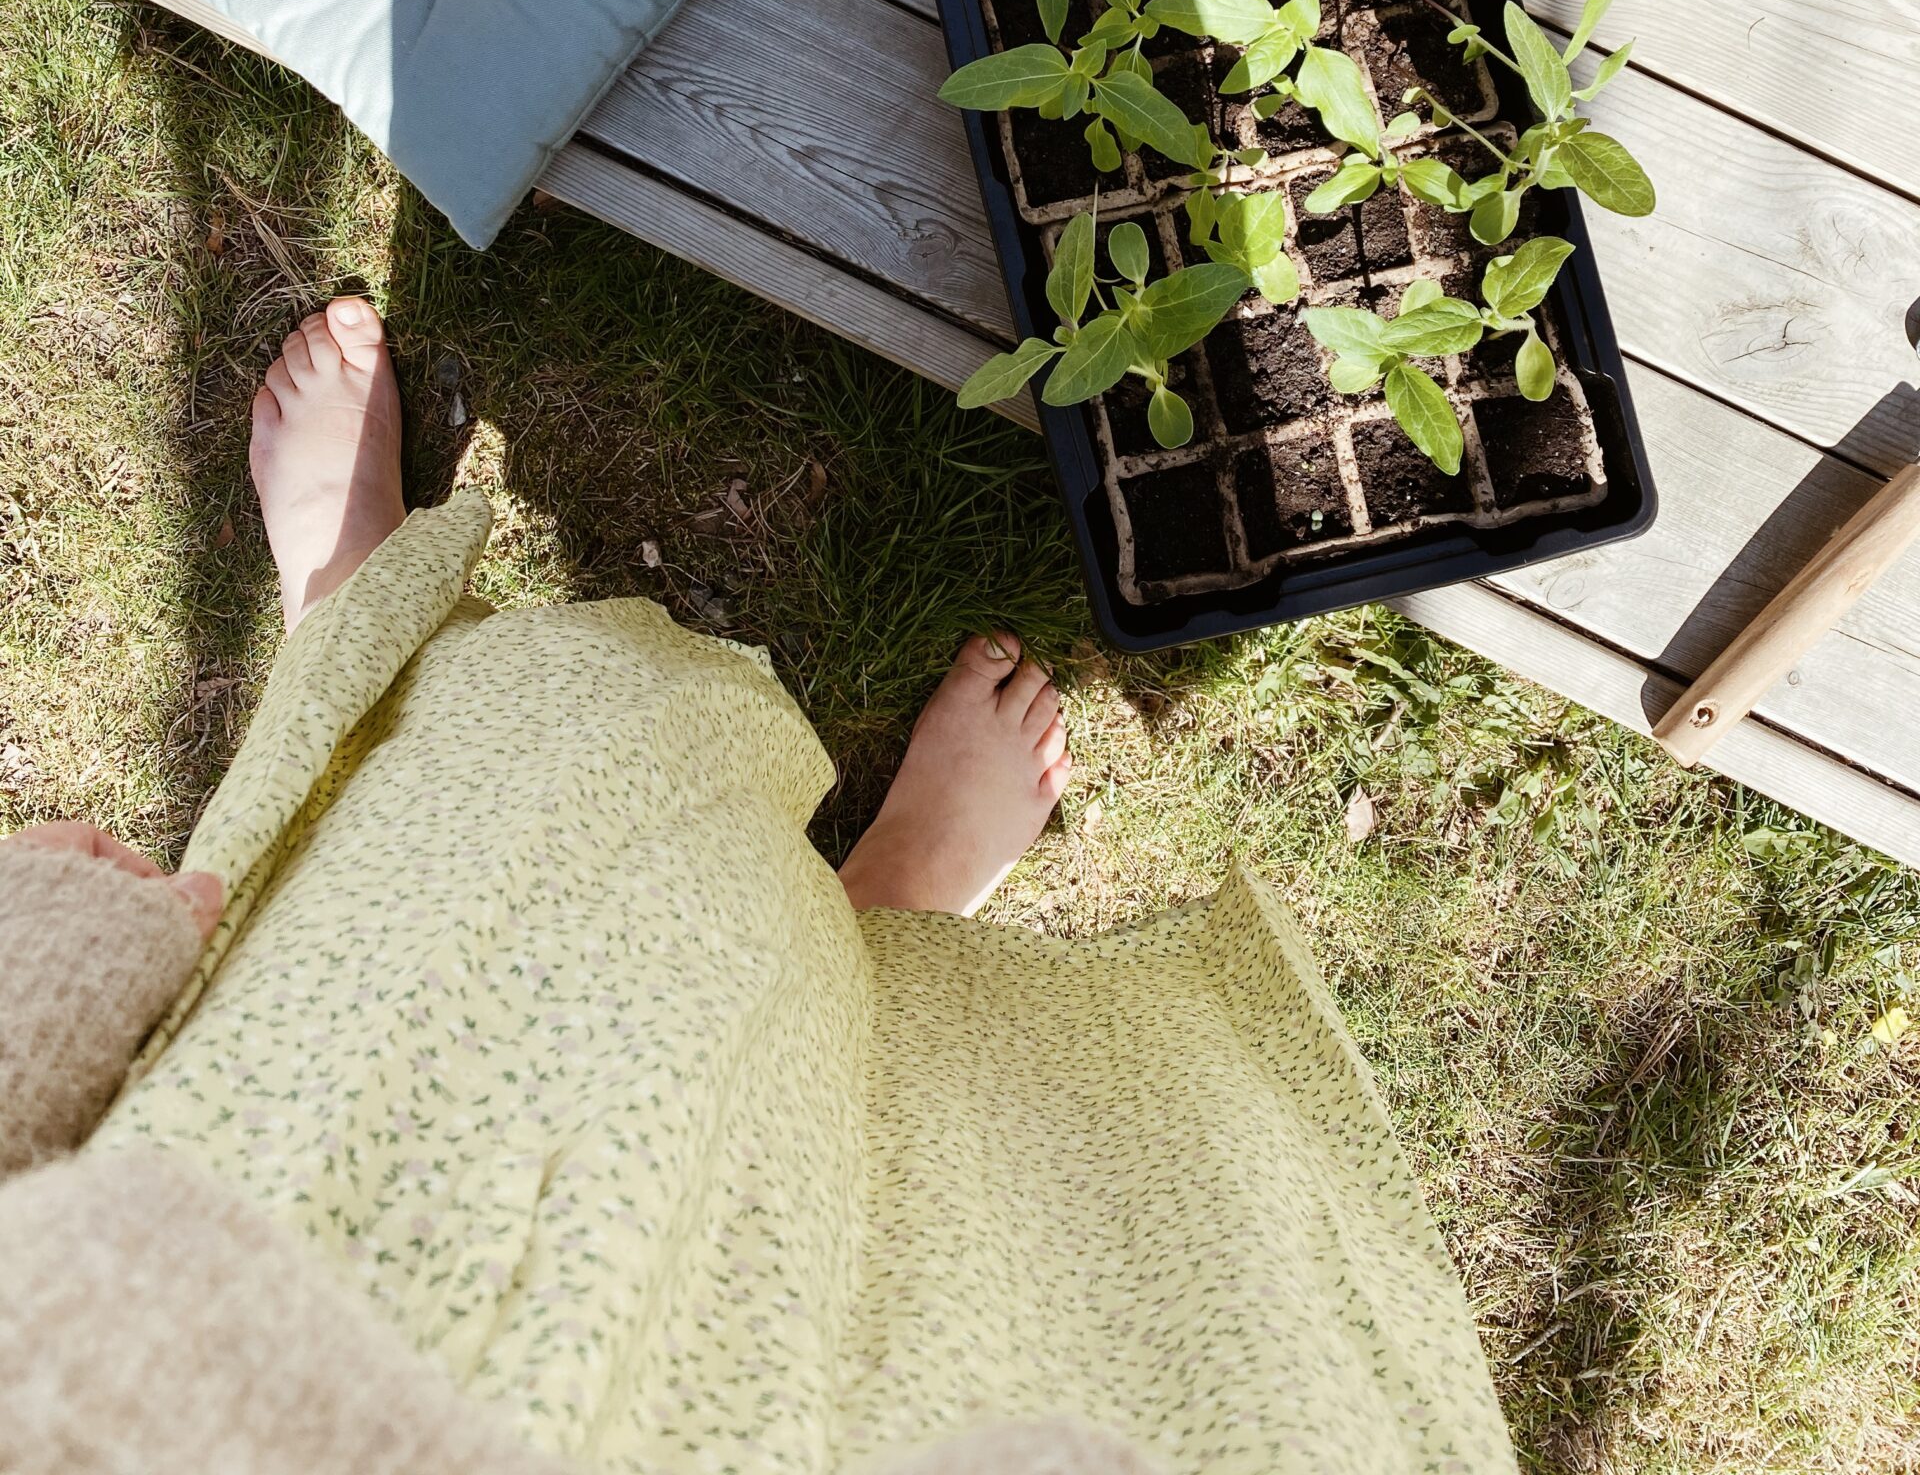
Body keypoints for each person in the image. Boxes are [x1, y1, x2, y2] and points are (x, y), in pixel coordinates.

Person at [0, 298, 1515, 1475]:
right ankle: (892, 920)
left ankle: (359, 629)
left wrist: (49, 975)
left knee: (528, 826)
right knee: (944, 1247)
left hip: (221, 1219)